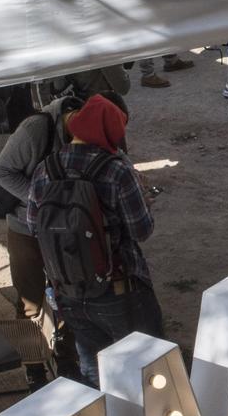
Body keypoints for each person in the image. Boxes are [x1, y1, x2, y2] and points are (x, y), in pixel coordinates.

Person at [22, 93, 164, 386]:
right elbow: (141, 230)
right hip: (119, 289)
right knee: (148, 368)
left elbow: (33, 226)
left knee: (93, 369)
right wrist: (145, 201)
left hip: (68, 291)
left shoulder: (45, 169)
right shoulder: (116, 170)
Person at [0, 93, 89, 379]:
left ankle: (67, 359)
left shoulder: (89, 132)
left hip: (64, 229)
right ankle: (33, 368)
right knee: (29, 301)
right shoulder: (35, 129)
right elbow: (1, 171)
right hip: (25, 228)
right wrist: (41, 203)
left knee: (70, 294)